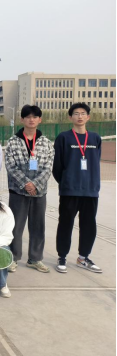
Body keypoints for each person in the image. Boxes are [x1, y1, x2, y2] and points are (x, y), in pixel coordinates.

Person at [53, 102, 103, 274]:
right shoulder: (64, 137)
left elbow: (96, 162)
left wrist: (92, 183)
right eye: (76, 113)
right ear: (70, 117)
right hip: (70, 190)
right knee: (65, 224)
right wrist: (66, 182)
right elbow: (57, 166)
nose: (79, 116)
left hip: (90, 191)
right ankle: (62, 256)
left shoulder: (95, 138)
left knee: (89, 225)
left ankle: (83, 257)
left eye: (83, 113)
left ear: (88, 117)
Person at [6, 105, 54, 274]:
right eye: (28, 117)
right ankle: (13, 258)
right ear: (22, 119)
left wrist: (36, 185)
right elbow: (11, 166)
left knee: (38, 226)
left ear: (40, 120)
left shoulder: (46, 143)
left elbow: (48, 167)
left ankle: (35, 258)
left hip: (39, 193)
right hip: (18, 191)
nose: (31, 120)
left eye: (35, 117)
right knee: (15, 226)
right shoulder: (13, 142)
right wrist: (26, 184)